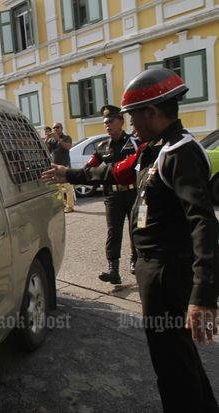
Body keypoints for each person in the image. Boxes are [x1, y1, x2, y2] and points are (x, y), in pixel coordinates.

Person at [42, 68, 218, 412]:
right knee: (177, 351)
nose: (130, 123)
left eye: (133, 116)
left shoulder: (179, 153)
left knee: (170, 359)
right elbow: (114, 172)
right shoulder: (155, 148)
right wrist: (69, 174)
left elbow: (204, 223)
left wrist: (203, 294)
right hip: (154, 267)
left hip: (169, 270)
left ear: (152, 112)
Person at [86, 105, 139, 284]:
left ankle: (135, 261)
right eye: (105, 122)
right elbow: (89, 168)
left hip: (133, 194)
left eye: (110, 121)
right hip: (112, 197)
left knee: (136, 229)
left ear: (121, 121)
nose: (107, 125)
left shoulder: (133, 143)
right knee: (113, 232)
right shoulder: (102, 147)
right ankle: (113, 270)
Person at [51, 122, 75, 212]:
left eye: (57, 127)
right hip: (55, 167)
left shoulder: (67, 138)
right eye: (54, 128)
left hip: (65, 166)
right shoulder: (52, 140)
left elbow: (67, 147)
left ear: (61, 128)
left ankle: (70, 206)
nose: (55, 129)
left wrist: (59, 139)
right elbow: (47, 149)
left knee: (68, 187)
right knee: (58, 188)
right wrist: (46, 140)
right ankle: (62, 205)